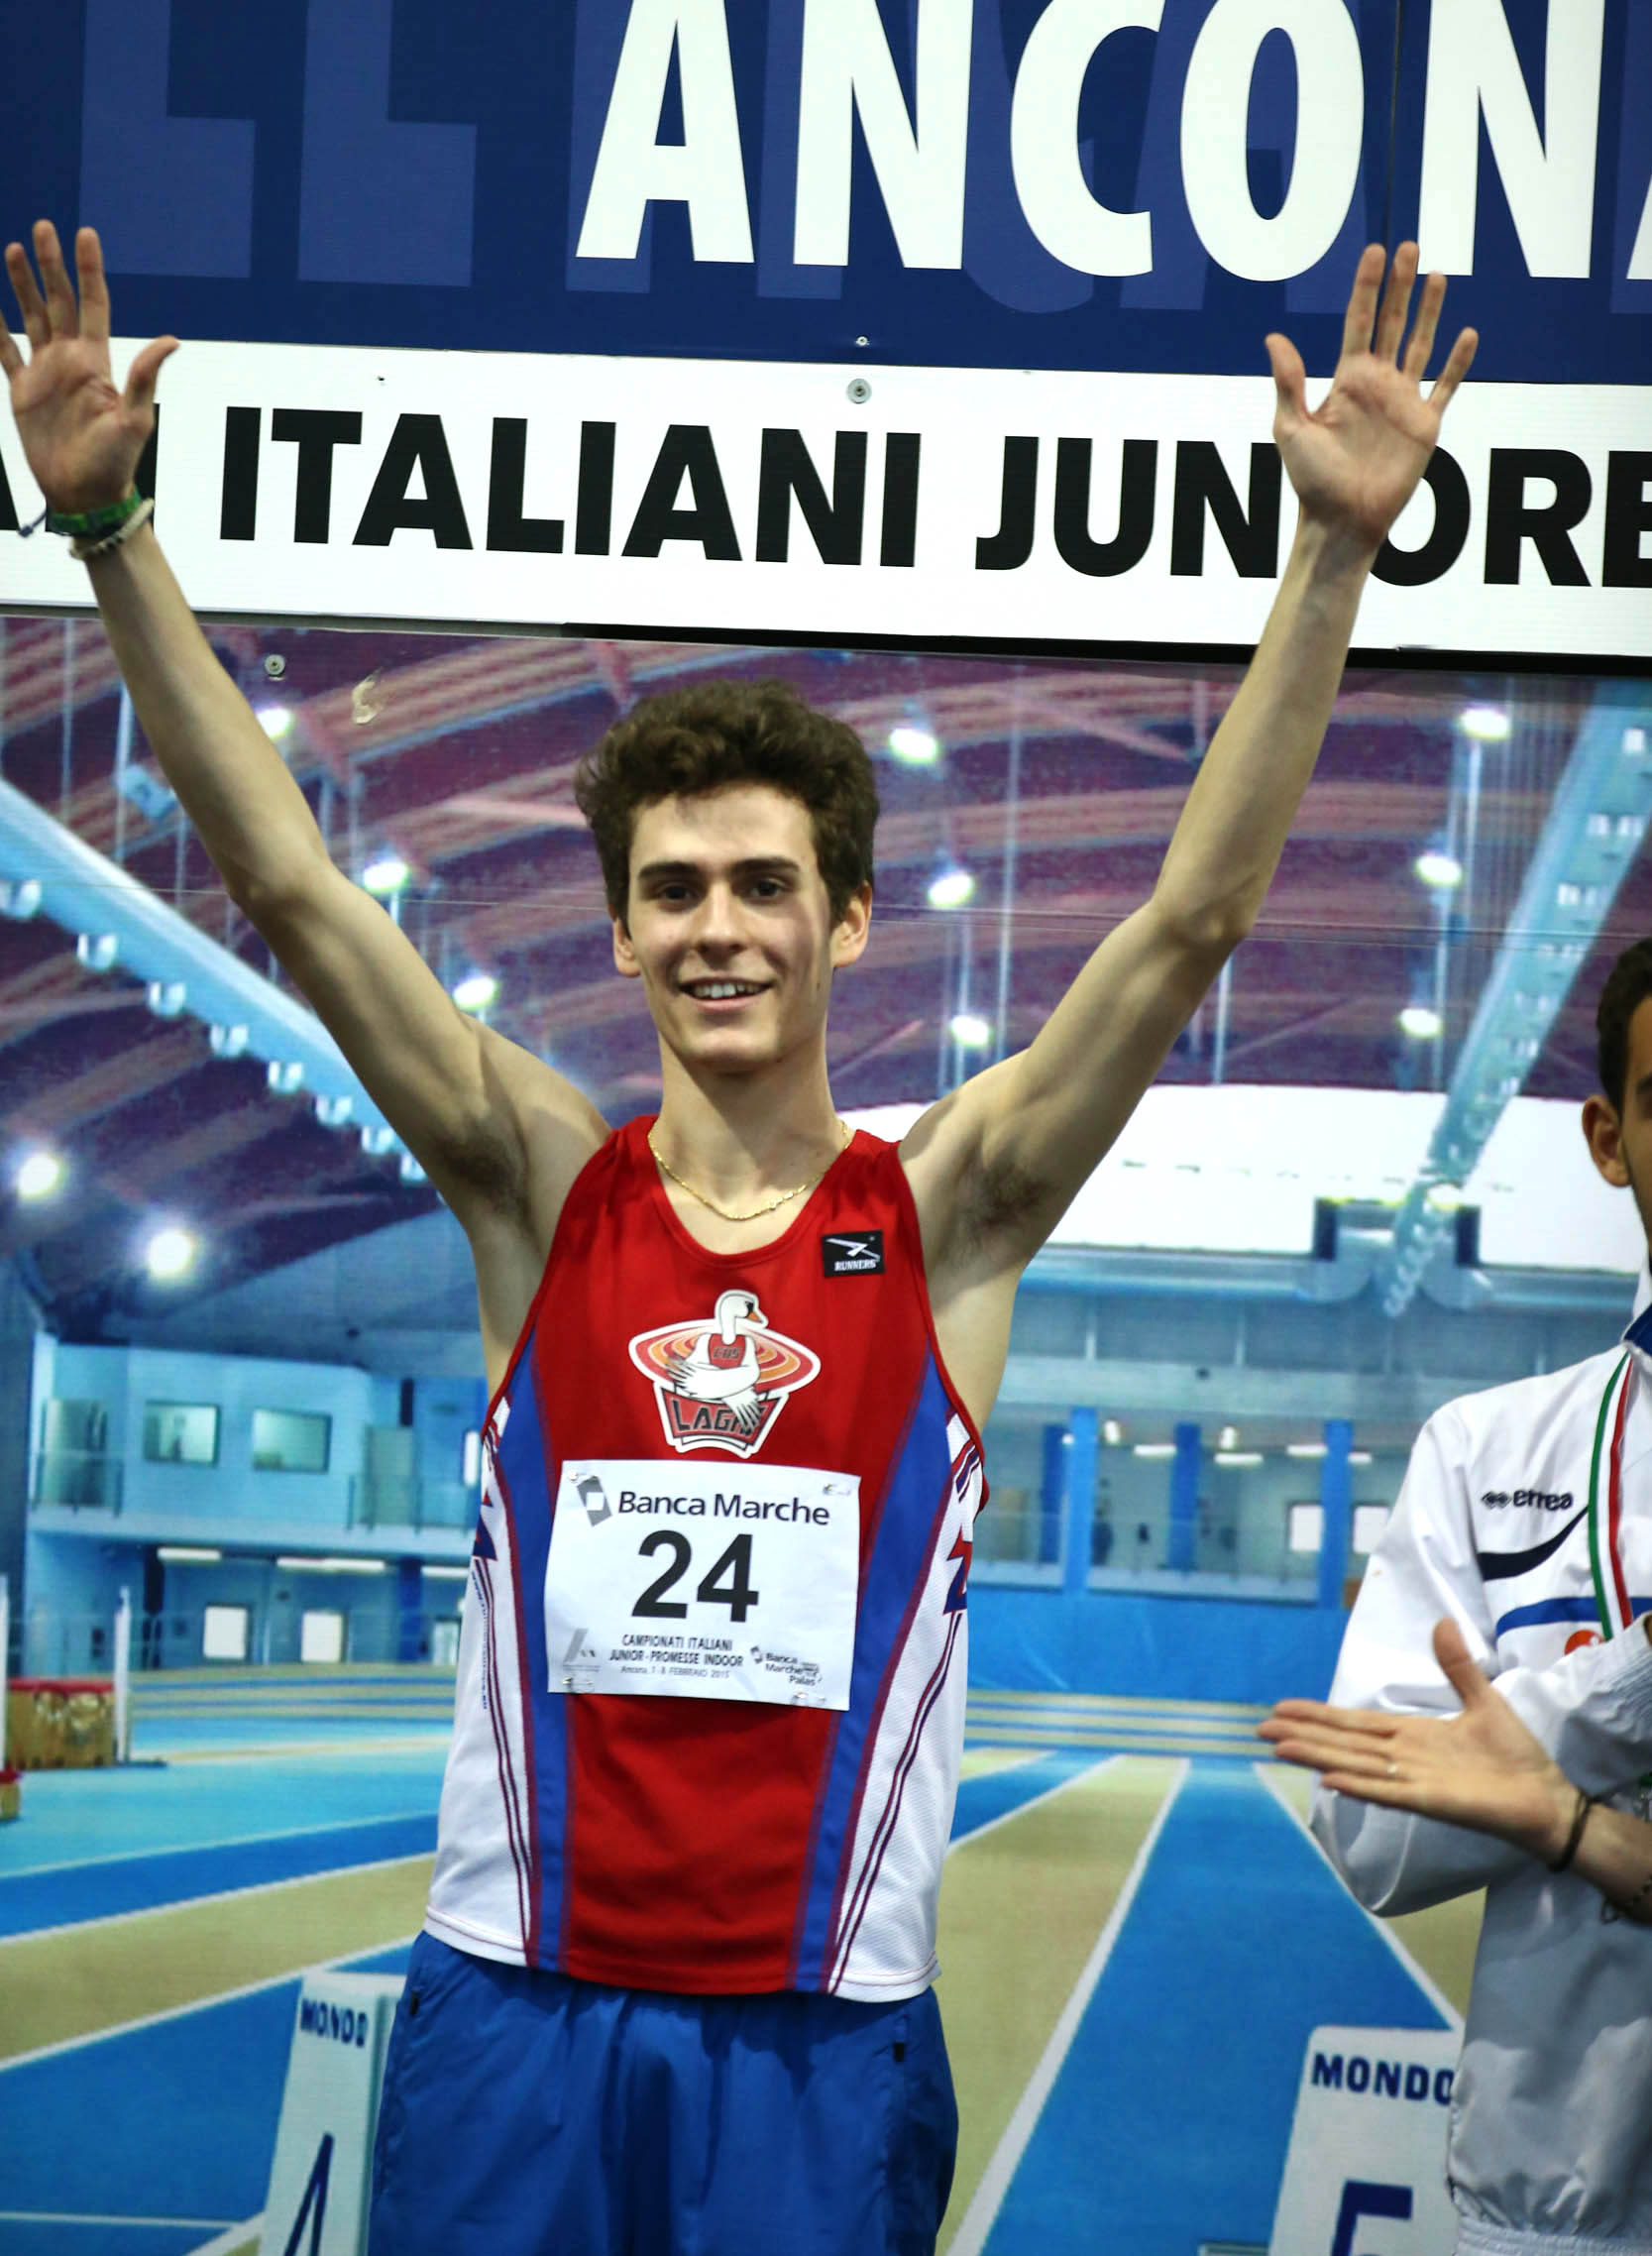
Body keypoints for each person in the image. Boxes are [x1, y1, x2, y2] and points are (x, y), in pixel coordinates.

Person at [3, 218, 1475, 2256]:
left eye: (765, 885)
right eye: (674, 888)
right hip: (516, 2002)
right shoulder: (541, 1187)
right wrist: (112, 534)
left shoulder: (945, 1210)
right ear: (618, 930)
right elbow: (299, 893)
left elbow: (1187, 926)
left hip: (816, 2038)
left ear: (846, 918)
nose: (719, 927)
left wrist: (1328, 559)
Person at [1262, 938, 1652, 2256]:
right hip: (1554, 2219)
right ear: (1610, 1138)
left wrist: (1563, 1812)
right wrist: (1624, 1689)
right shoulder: (1489, 1453)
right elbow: (1371, 1836)